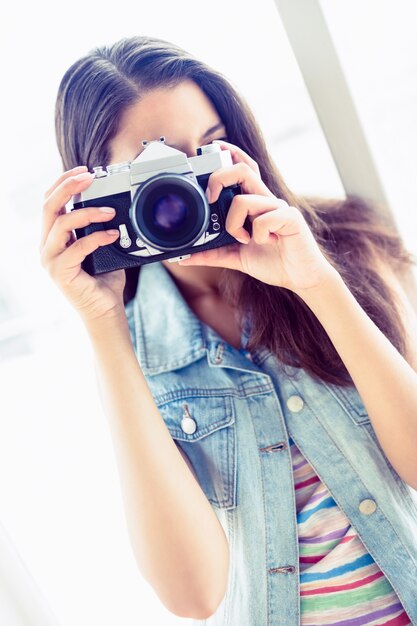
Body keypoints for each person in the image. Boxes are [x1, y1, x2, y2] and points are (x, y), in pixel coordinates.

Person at [40, 35, 417, 625]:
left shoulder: (348, 248)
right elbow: (194, 596)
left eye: (207, 149)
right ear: (98, 193)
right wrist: (102, 323)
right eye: (153, 169)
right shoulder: (130, 345)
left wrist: (315, 282)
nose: (185, 191)